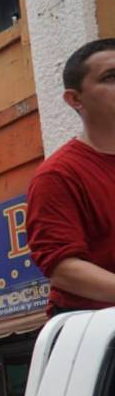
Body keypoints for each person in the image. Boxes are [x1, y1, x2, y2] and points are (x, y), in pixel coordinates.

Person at [27, 39, 115, 315]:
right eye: (110, 77)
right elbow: (63, 268)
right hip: (96, 337)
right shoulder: (57, 175)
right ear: (75, 99)